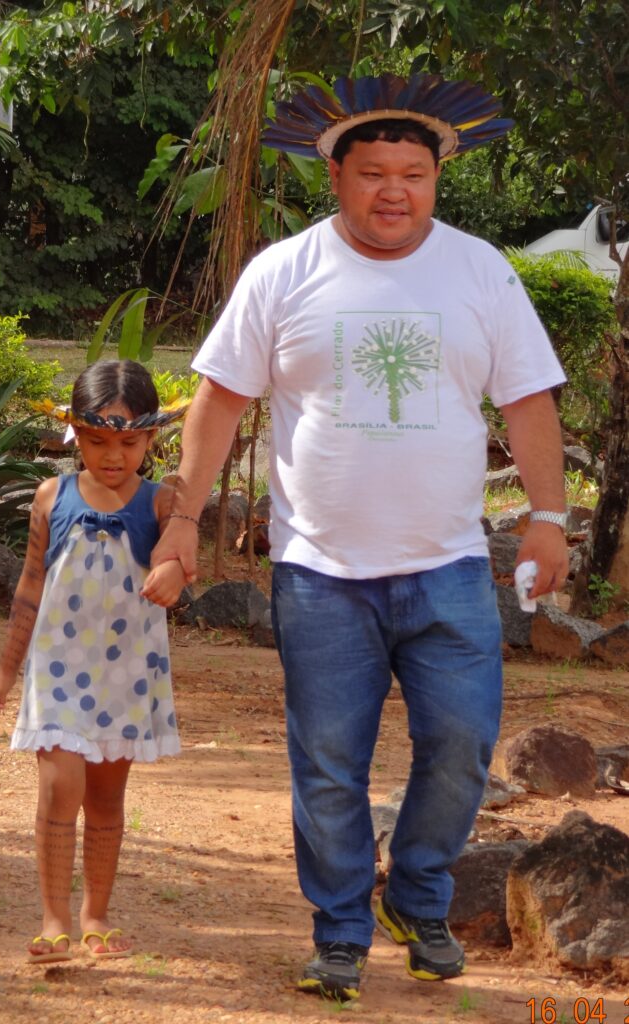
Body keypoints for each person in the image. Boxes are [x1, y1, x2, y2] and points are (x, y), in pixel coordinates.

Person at [143, 73, 570, 999]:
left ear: (435, 178)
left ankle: (415, 894)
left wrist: (548, 515)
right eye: (372, 171)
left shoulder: (479, 269)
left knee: (460, 748)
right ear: (334, 175)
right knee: (327, 765)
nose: (393, 191)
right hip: (320, 571)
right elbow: (218, 400)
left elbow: (529, 399)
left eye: (412, 173)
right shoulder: (282, 272)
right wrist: (182, 518)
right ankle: (339, 929)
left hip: (449, 565)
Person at [0, 360, 187, 964]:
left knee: (105, 798)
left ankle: (96, 914)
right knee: (60, 785)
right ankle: (54, 920)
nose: (114, 455)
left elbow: (185, 562)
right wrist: (5, 669)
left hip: (125, 673)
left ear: (151, 437)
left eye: (129, 442)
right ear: (75, 432)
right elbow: (29, 584)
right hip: (58, 669)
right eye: (97, 440)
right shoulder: (52, 496)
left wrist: (177, 563)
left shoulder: (161, 503)